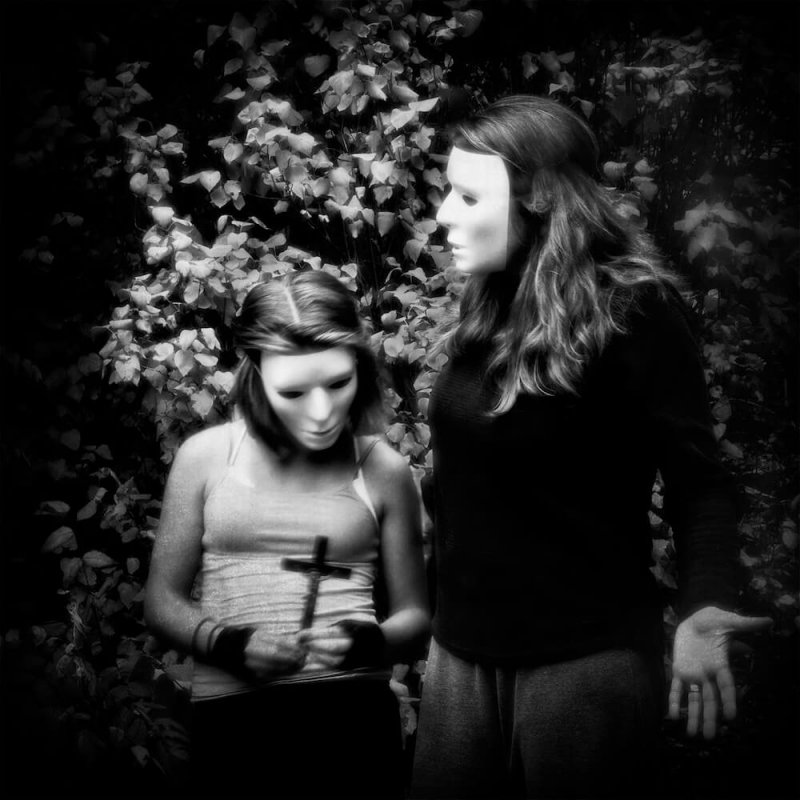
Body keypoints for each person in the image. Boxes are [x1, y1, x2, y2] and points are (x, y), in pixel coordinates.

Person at [410, 94, 772, 799]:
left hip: (580, 661)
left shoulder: (634, 311)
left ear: (542, 197)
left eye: (468, 196)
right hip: (460, 655)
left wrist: (704, 607)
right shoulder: (487, 299)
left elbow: (699, 482)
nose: (444, 215)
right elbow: (467, 480)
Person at [144, 269, 430, 799]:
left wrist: (369, 642)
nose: (321, 412)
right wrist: (226, 644)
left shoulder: (381, 468)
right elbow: (161, 602)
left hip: (353, 723)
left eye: (338, 384)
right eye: (293, 391)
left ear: (358, 365)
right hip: (233, 727)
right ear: (255, 370)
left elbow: (415, 618)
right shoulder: (206, 457)